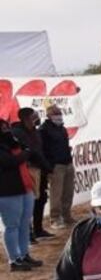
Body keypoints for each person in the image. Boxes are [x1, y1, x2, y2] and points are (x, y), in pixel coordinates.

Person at [0, 119, 43, 271]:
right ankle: (14, 259)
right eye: (2, 128)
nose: (6, 130)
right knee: (12, 226)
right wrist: (25, 153)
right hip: (8, 191)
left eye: (6, 127)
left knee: (24, 224)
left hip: (25, 187)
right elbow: (9, 162)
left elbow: (28, 151)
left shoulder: (12, 141)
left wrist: (24, 152)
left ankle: (24, 254)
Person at [11, 107, 53, 241]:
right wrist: (45, 165)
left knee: (40, 199)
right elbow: (31, 152)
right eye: (33, 116)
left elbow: (39, 150)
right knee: (28, 202)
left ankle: (38, 229)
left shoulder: (35, 132)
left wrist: (46, 167)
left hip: (39, 169)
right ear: (26, 119)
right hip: (28, 170)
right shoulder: (18, 133)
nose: (37, 119)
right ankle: (28, 233)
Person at [40, 104, 76, 228]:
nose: (58, 115)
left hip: (68, 163)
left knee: (68, 192)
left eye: (59, 112)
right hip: (56, 166)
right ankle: (55, 219)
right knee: (56, 193)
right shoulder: (43, 130)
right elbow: (43, 149)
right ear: (49, 115)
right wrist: (49, 166)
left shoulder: (62, 128)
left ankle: (67, 216)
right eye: (55, 113)